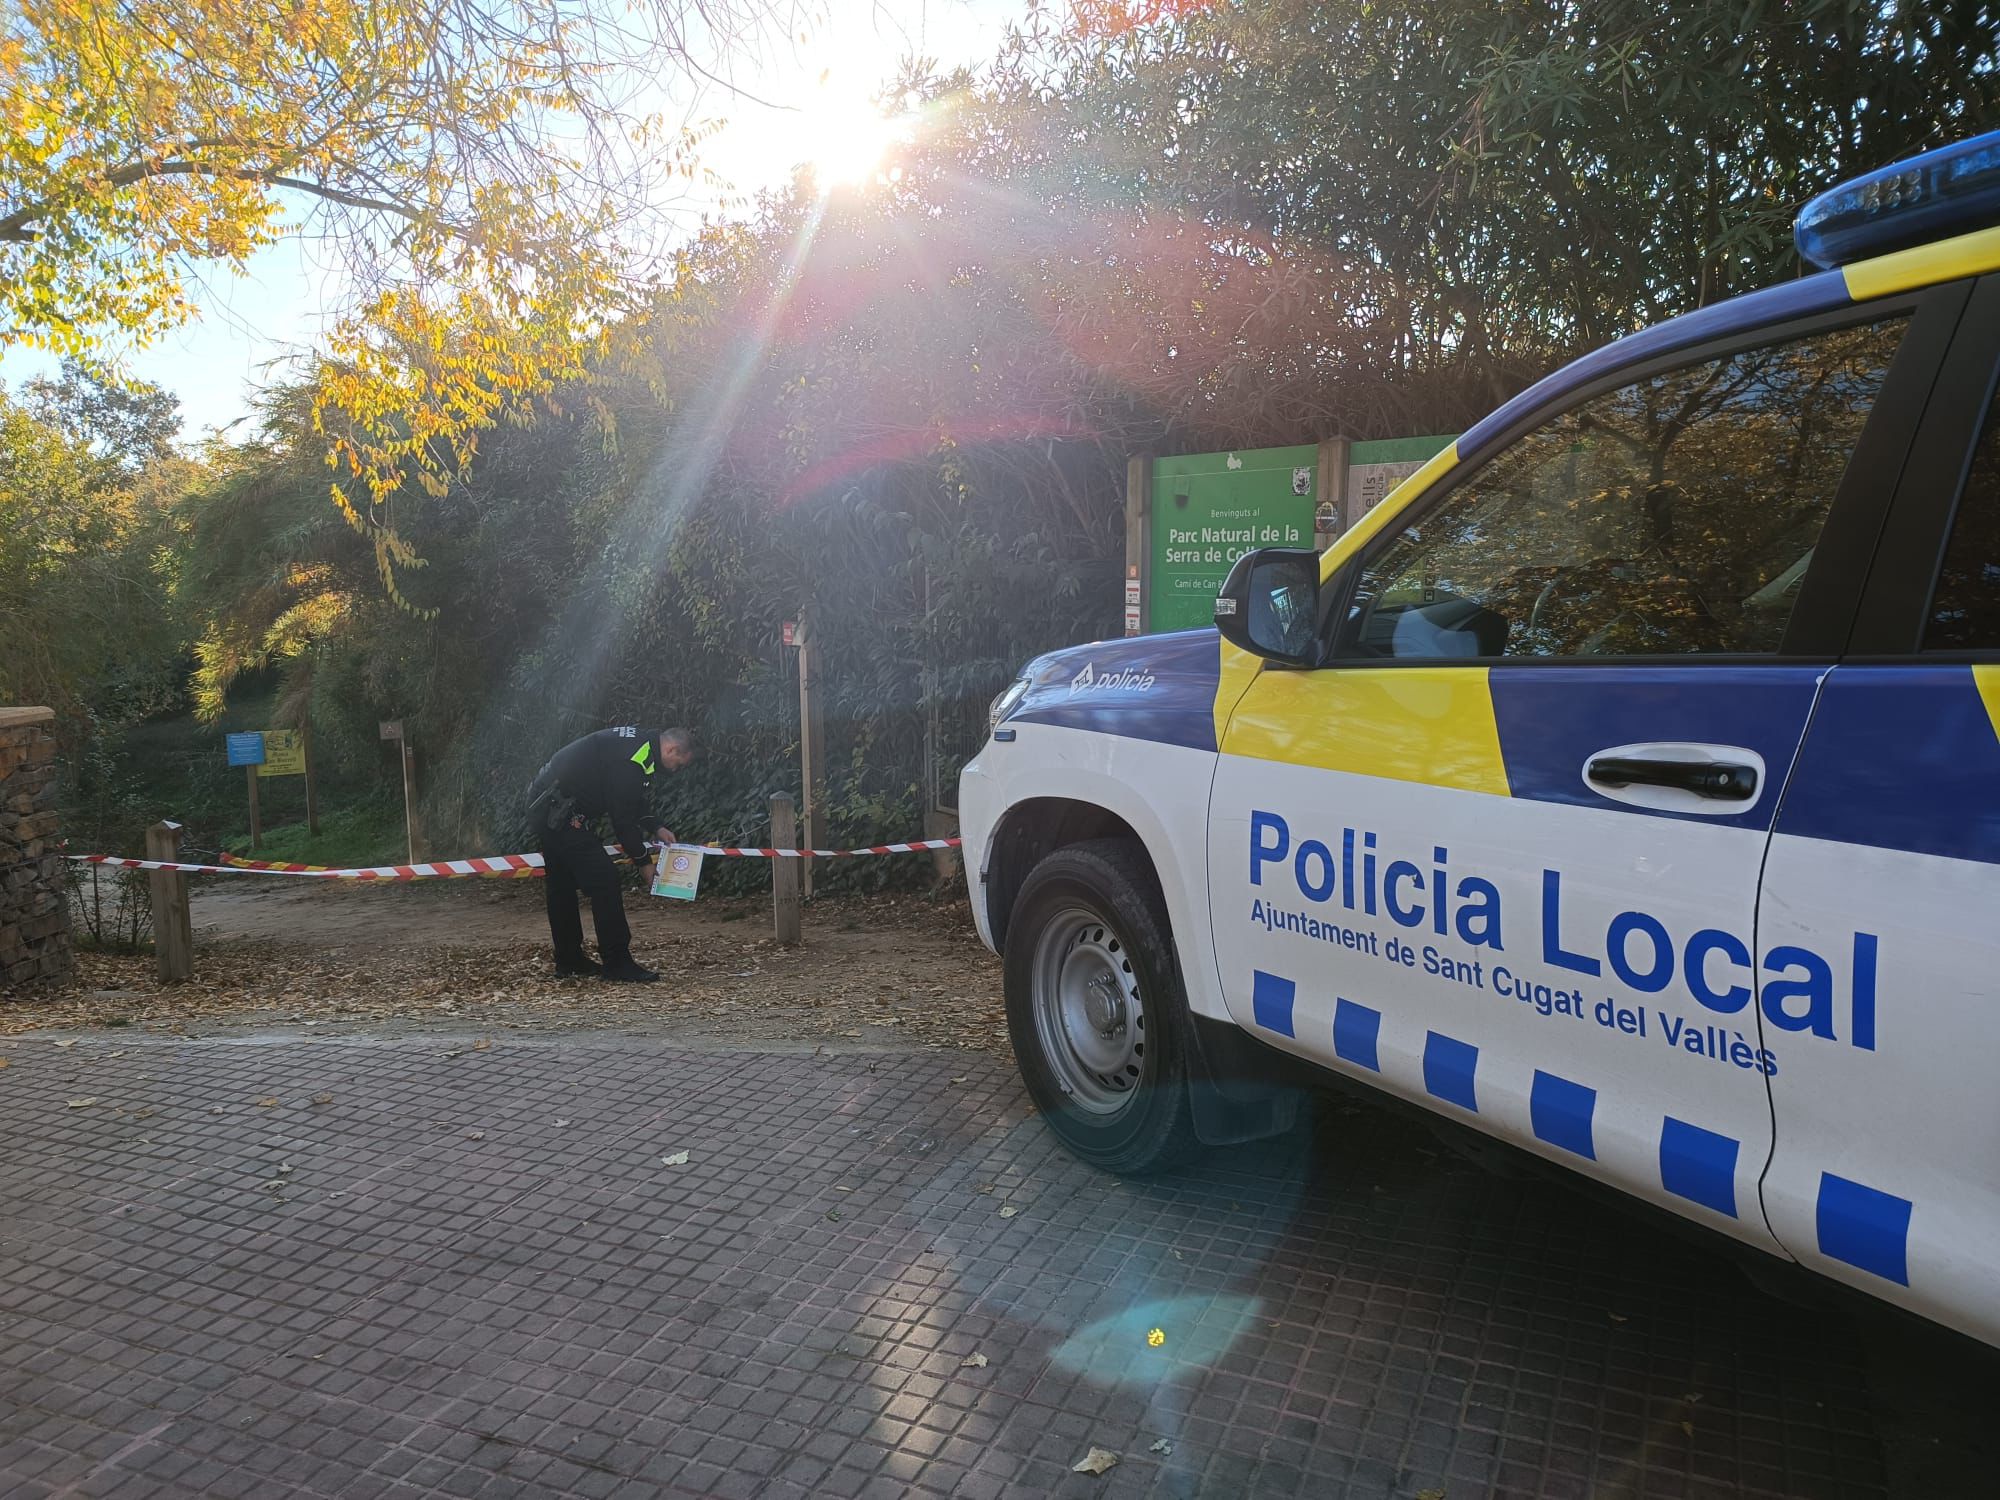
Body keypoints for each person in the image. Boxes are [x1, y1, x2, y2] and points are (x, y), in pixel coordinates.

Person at [525, 725, 694, 981]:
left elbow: (630, 796)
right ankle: (617, 963)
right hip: (556, 810)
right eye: (678, 764)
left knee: (562, 884)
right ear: (672, 749)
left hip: (548, 804)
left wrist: (656, 827)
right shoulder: (633, 757)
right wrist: (644, 862)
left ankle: (569, 961)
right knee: (605, 879)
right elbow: (622, 819)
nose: (675, 770)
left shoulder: (640, 746)